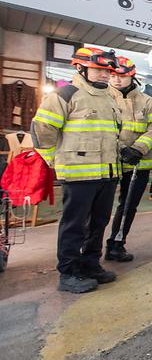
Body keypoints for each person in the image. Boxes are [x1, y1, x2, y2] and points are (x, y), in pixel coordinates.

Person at [32, 48, 122, 293]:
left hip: (107, 173)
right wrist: (56, 161)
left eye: (108, 71)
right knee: (74, 224)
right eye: (100, 70)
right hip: (79, 174)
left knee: (99, 222)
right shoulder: (65, 94)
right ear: (81, 68)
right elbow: (42, 132)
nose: (105, 75)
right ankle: (69, 272)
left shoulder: (110, 97)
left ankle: (91, 265)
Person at [105, 57, 152, 262]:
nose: (117, 80)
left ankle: (117, 243)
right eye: (113, 76)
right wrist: (122, 150)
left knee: (128, 205)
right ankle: (89, 247)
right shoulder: (103, 98)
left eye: (122, 76)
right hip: (109, 161)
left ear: (132, 76)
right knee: (99, 207)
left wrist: (138, 149)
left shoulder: (148, 102)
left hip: (139, 163)